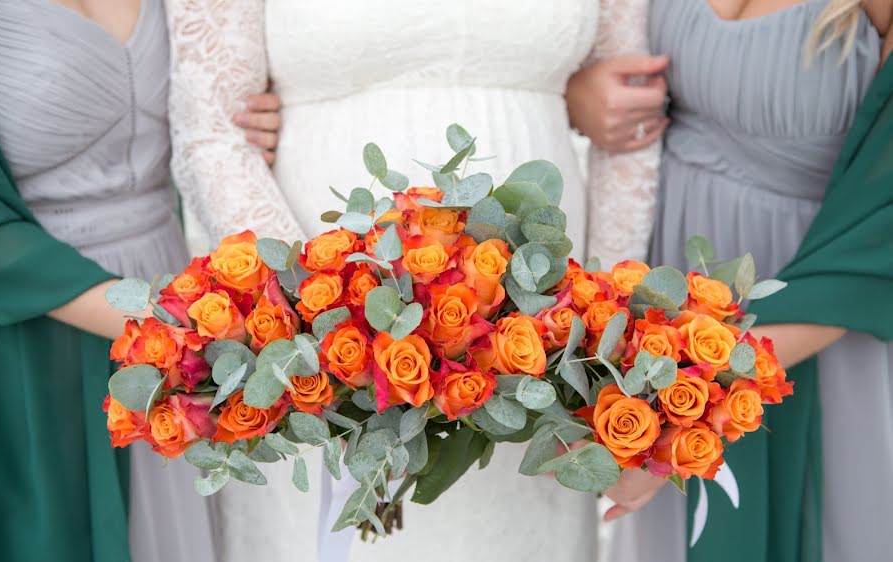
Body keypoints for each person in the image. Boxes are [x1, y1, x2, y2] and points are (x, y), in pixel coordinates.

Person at [165, 0, 665, 560]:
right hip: (315, 352)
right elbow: (212, 132)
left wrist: (604, 347)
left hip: (542, 347)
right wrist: (314, 320)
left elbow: (631, 120)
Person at [568, 1, 893, 561]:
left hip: (811, 321)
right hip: (664, 312)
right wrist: (580, 98)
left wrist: (679, 403)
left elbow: (880, 222)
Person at [0, 1, 282, 560]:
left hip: (178, 284)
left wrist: (256, 119)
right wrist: (163, 325)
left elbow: (207, 107)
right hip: (44, 320)